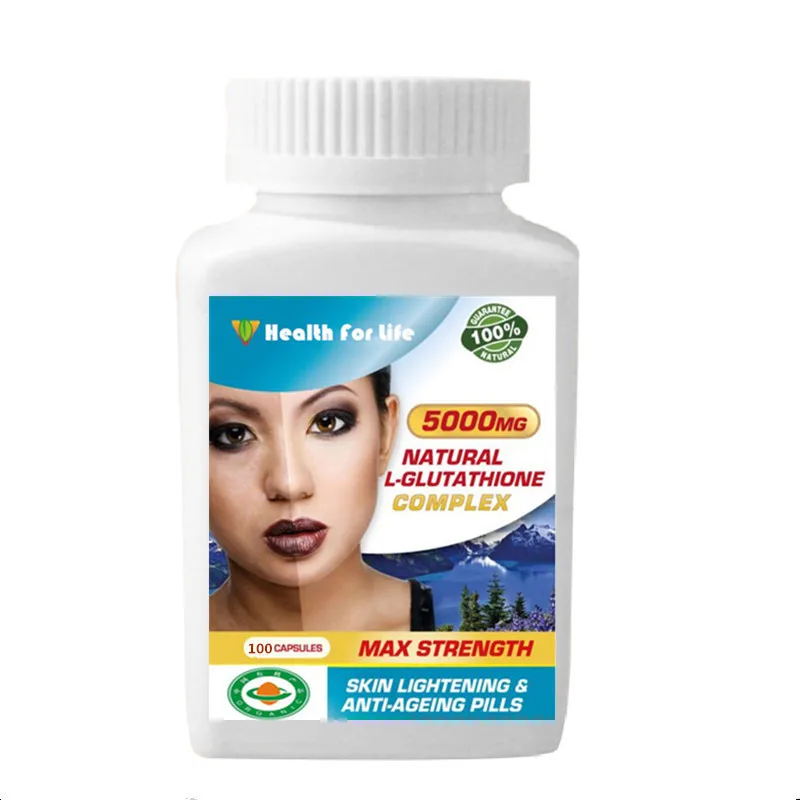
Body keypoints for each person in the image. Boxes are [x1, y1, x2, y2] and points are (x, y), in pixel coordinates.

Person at [208, 366, 435, 631]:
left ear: (385, 434)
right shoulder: (174, 650)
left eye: (328, 422)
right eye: (234, 434)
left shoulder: (464, 629)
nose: (290, 484)